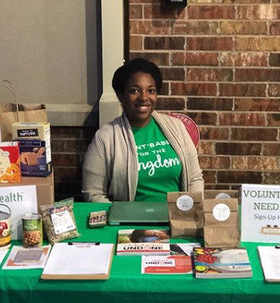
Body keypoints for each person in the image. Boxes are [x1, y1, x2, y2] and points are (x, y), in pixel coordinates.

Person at [82, 58, 204, 202]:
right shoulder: (106, 137)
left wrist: (189, 211)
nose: (144, 98)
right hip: (129, 221)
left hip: (176, 218)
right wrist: (119, 218)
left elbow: (194, 179)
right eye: (134, 91)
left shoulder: (177, 128)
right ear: (121, 96)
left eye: (150, 90)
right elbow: (93, 194)